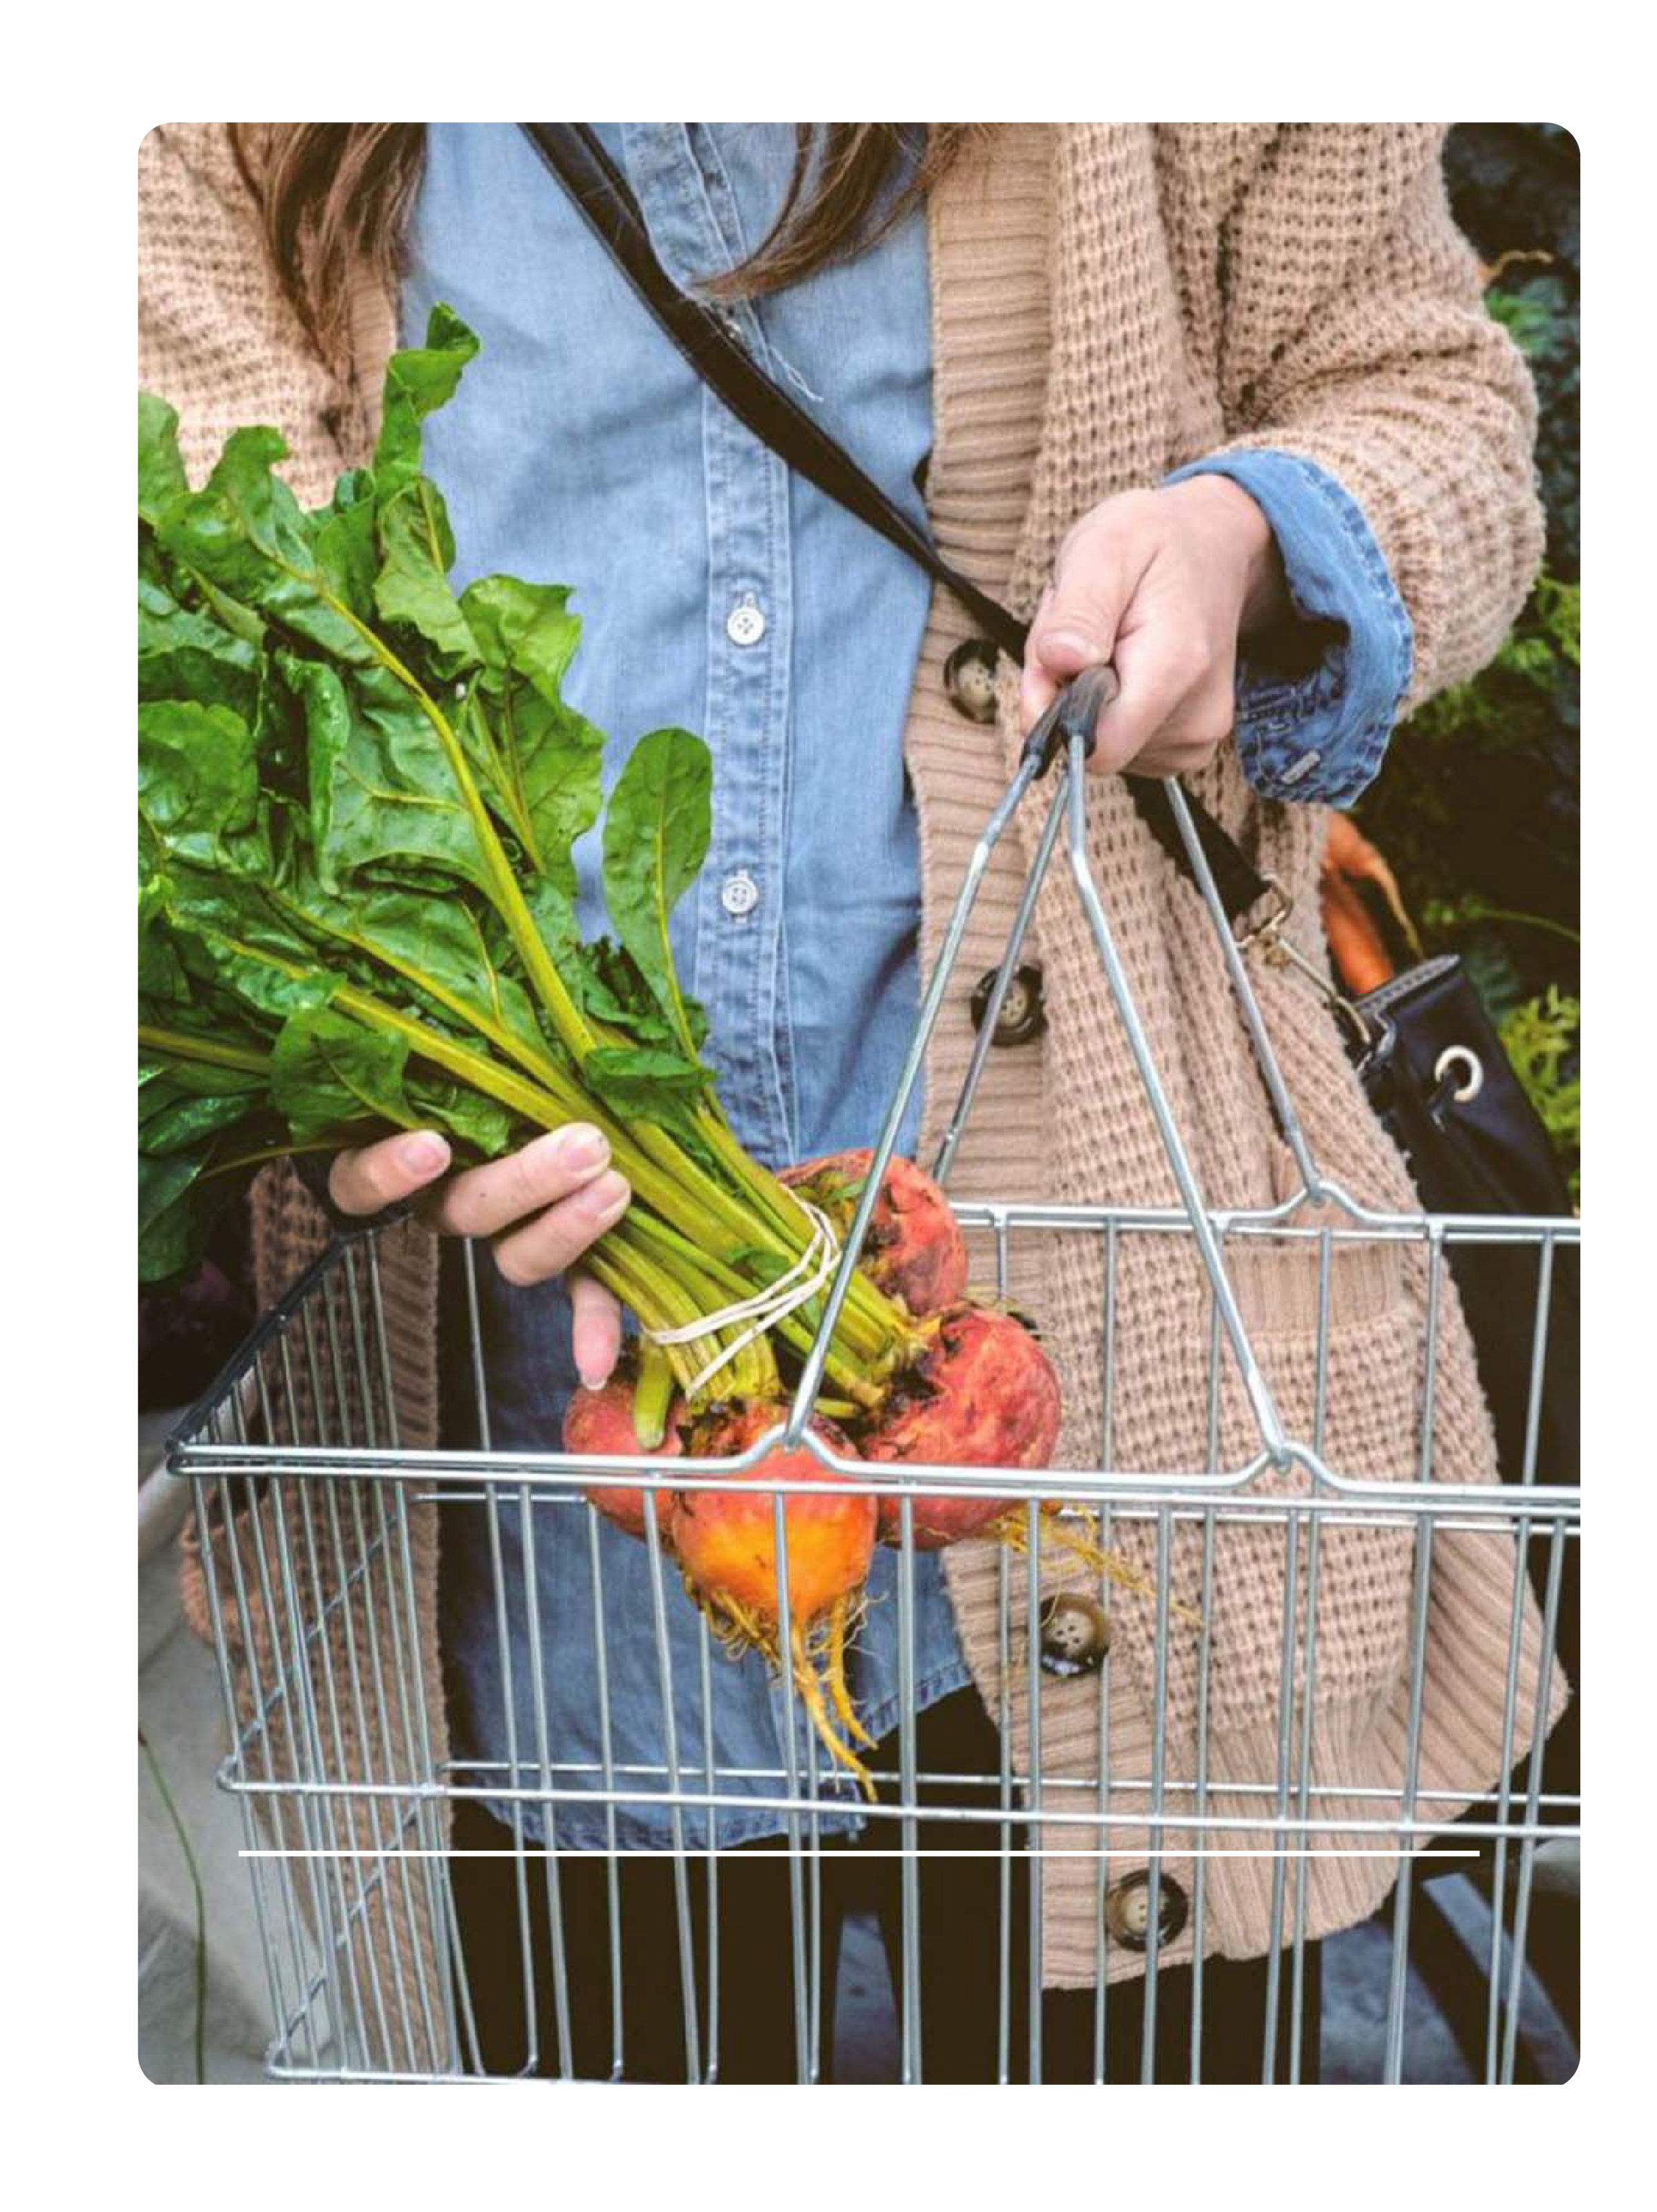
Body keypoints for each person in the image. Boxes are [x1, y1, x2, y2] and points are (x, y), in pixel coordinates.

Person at [140, 121, 1563, 2084]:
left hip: (1116, 1382)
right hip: (532, 1443)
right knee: (610, 2061)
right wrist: (369, 1061)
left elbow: (1433, 401)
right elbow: (200, 602)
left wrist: (1253, 531)